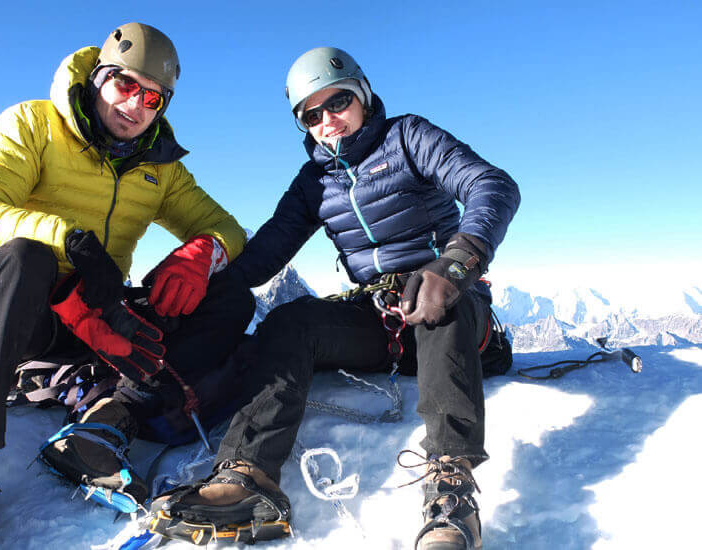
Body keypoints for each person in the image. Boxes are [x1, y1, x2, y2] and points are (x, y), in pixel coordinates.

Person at [148, 47, 520, 550]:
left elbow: (491, 184)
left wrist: (455, 264)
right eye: (312, 115)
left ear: (363, 95)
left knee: (441, 308)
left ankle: (450, 492)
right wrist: (199, 279)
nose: (329, 122)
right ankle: (248, 478)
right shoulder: (314, 183)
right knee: (289, 321)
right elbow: (265, 253)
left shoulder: (408, 137)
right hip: (381, 320)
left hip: (450, 304)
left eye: (338, 102)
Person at [0, 23, 253, 550]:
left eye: (153, 97)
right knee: (23, 257)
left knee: (230, 295)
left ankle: (109, 417)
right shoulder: (33, 124)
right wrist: (65, 239)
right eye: (125, 85)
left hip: (101, 316)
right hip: (28, 314)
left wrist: (202, 252)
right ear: (98, 77)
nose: (136, 106)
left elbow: (227, 227)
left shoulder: (158, 167)